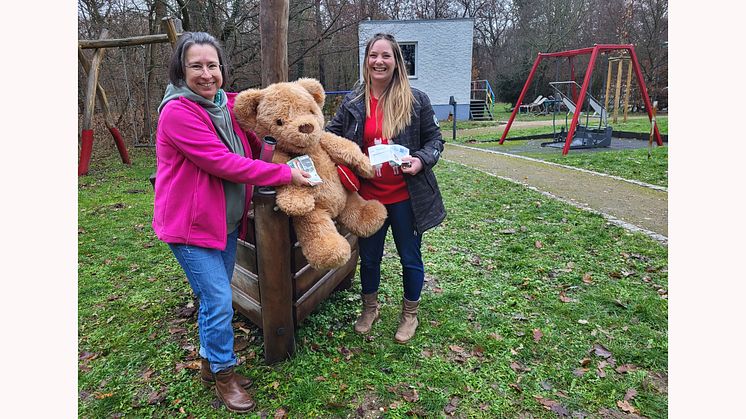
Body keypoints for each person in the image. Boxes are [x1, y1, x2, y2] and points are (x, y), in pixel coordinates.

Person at [152, 32, 311, 413]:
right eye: (196, 66)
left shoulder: (227, 105)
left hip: (222, 221)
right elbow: (223, 163)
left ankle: (210, 363)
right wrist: (285, 175)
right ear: (181, 69)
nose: (206, 74)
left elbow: (265, 122)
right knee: (220, 300)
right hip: (191, 227)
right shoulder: (178, 112)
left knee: (215, 296)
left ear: (222, 68)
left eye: (212, 65)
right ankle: (224, 375)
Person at [326, 32, 446, 343]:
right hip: (368, 199)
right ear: (366, 61)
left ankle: (409, 315)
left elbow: (435, 141)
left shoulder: (415, 99)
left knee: (410, 257)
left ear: (396, 62)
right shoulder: (353, 102)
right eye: (373, 56)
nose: (379, 61)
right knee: (369, 258)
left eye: (386, 56)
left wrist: (419, 160)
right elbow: (330, 136)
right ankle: (370, 308)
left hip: (407, 197)